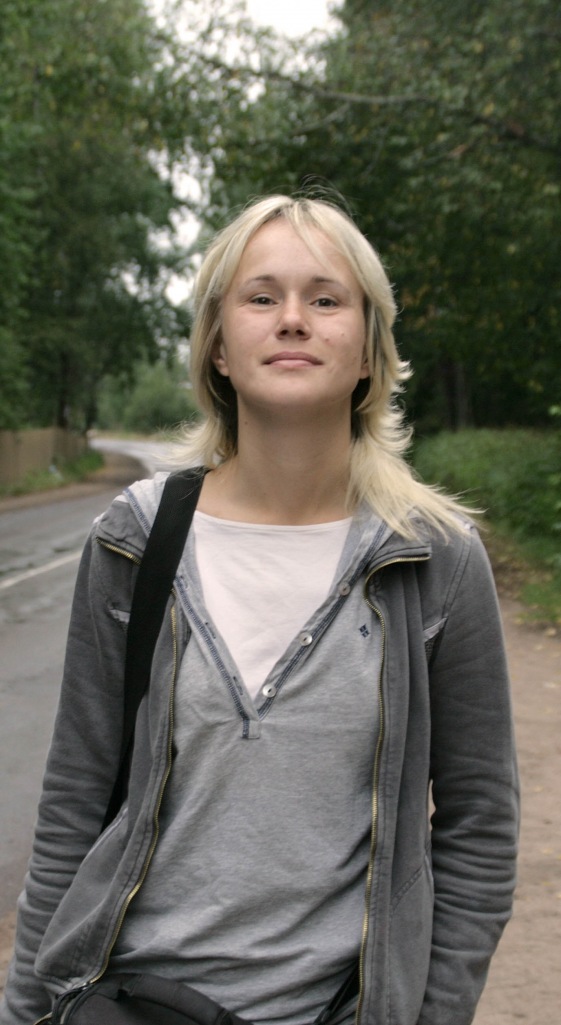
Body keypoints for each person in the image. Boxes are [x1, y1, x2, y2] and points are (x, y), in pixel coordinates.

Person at [1, 195, 519, 1025]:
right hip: (129, 1003)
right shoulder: (135, 539)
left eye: (326, 298)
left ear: (368, 349)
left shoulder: (435, 559)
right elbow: (71, 803)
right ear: (217, 345)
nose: (292, 318)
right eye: (261, 295)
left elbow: (479, 830)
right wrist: (26, 1010)